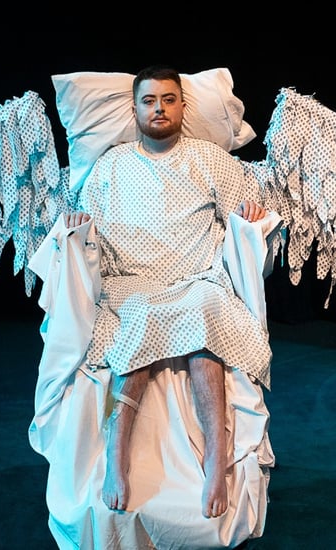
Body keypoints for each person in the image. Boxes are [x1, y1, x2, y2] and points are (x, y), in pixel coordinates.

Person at [64, 64, 272, 520]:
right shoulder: (111, 165)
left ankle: (217, 459)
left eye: (168, 99)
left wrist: (249, 214)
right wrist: (79, 228)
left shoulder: (211, 159)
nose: (159, 109)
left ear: (182, 105)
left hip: (197, 279)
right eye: (149, 100)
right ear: (136, 108)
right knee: (140, 317)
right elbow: (87, 223)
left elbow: (244, 208)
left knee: (202, 316)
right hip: (133, 283)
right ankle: (117, 458)